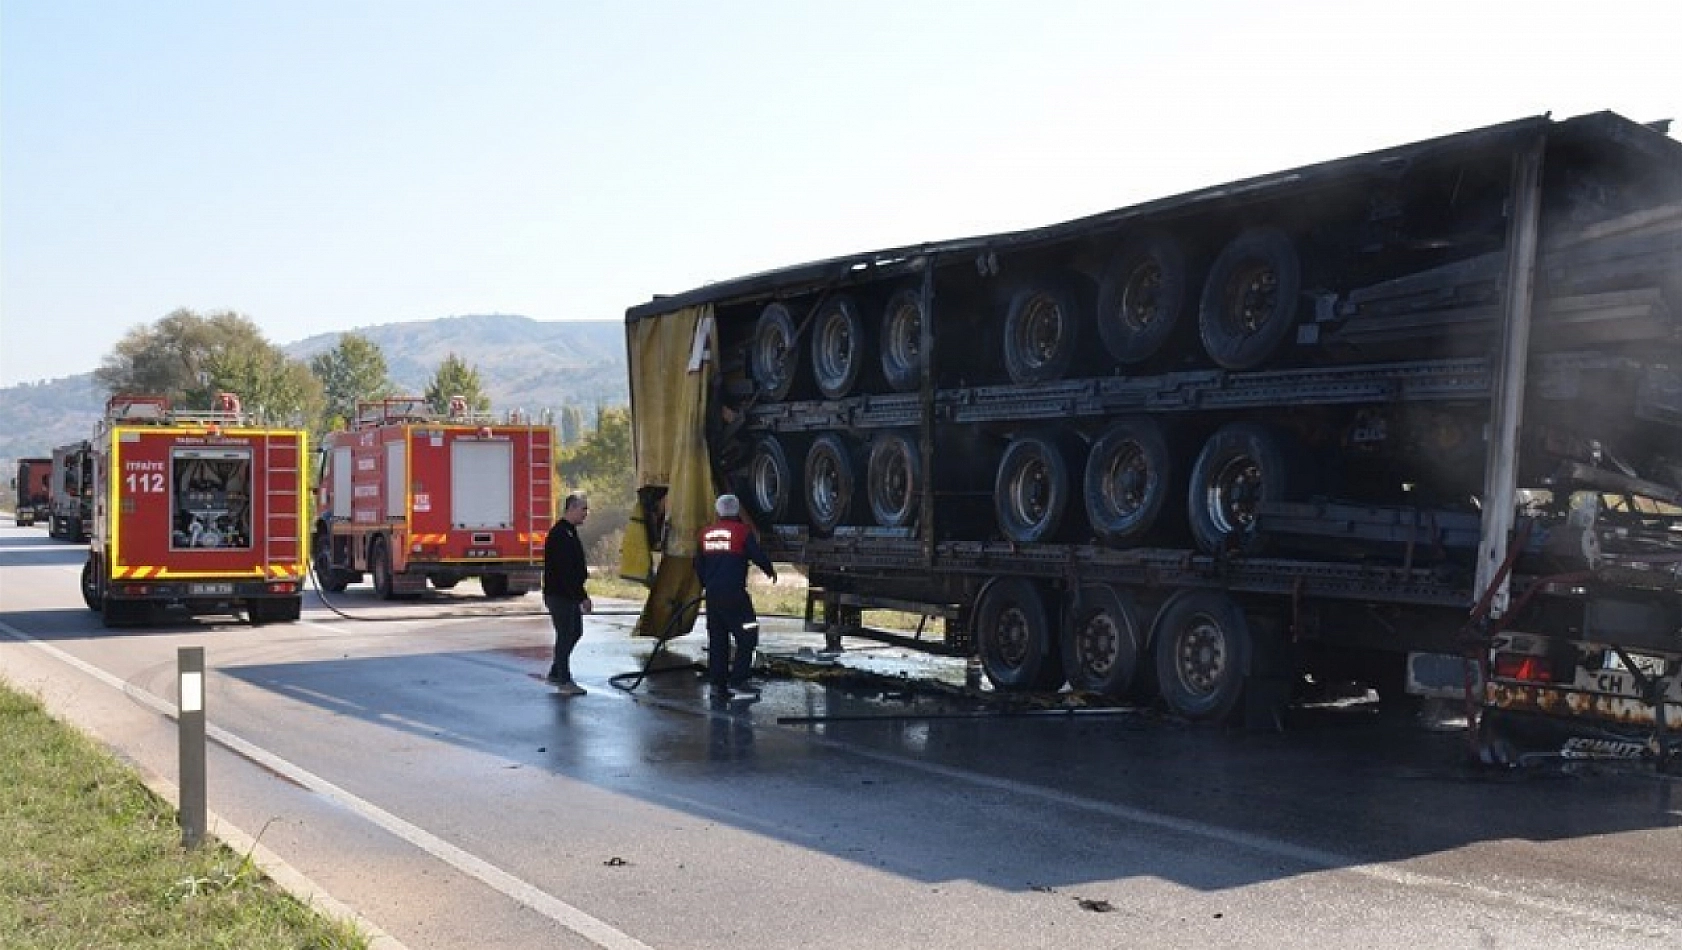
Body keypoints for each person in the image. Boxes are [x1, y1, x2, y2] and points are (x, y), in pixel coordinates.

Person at [695, 493, 776, 700]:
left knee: (718, 640)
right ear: (737, 511)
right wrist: (769, 570)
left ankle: (718, 685)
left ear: (718, 512)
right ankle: (739, 680)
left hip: (713, 596)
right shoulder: (741, 532)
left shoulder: (705, 534)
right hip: (735, 595)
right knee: (748, 635)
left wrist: (707, 583)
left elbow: (697, 563)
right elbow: (756, 554)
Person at [542, 492, 592, 696]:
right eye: (583, 509)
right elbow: (565, 570)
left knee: (575, 633)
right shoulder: (560, 534)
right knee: (565, 635)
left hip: (568, 594)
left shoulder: (569, 531)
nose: (586, 514)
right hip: (560, 594)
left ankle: (556, 671)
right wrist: (581, 596)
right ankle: (564, 680)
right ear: (571, 508)